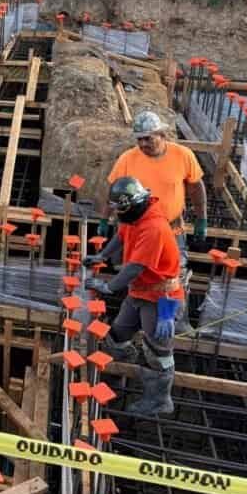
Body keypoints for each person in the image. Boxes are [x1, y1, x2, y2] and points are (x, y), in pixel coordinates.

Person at [84, 176, 182, 416]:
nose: (118, 215)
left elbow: (134, 268)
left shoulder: (153, 227)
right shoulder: (135, 215)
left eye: (120, 210)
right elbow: (120, 236)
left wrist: (109, 287)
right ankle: (124, 367)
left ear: (135, 203)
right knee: (118, 334)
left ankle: (160, 400)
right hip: (138, 291)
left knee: (158, 352)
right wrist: (102, 257)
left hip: (161, 299)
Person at [100, 111, 208, 264]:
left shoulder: (183, 155)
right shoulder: (127, 159)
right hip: (134, 230)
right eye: (139, 139)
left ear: (162, 134)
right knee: (128, 271)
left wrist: (201, 219)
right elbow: (113, 192)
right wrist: (104, 219)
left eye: (148, 138)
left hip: (170, 229)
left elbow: (196, 189)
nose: (143, 144)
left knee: (171, 271)